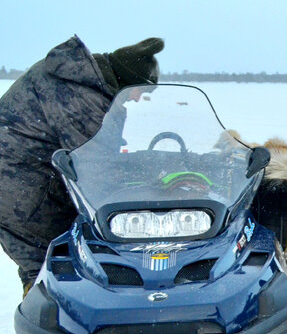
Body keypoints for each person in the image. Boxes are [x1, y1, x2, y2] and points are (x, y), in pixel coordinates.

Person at [0, 36, 164, 294]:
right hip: (24, 194)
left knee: (45, 266)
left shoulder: (79, 80)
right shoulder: (81, 97)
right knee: (51, 271)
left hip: (20, 184)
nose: (138, 99)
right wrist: (150, 184)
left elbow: (101, 151)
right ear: (126, 79)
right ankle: (48, 326)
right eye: (141, 91)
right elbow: (97, 167)